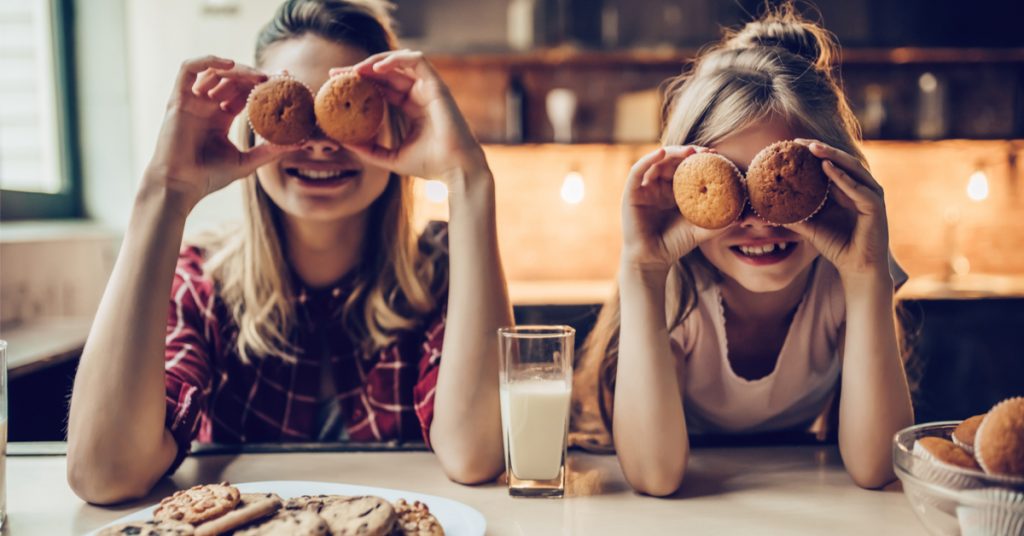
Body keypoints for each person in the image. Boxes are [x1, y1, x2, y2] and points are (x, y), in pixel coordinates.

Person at [67, 0, 511, 504]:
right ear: (258, 123)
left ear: (389, 123)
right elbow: (103, 472)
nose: (321, 146)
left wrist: (467, 180)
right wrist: (163, 194)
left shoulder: (441, 271)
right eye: (300, 112)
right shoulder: (202, 284)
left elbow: (476, 455)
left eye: (340, 110)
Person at [573, 5, 913, 496]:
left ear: (833, 181)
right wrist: (642, 270)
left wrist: (866, 278)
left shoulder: (842, 282)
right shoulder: (679, 294)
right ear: (684, 190)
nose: (757, 219)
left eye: (780, 186)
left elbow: (877, 467)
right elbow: (654, 475)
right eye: (733, 184)